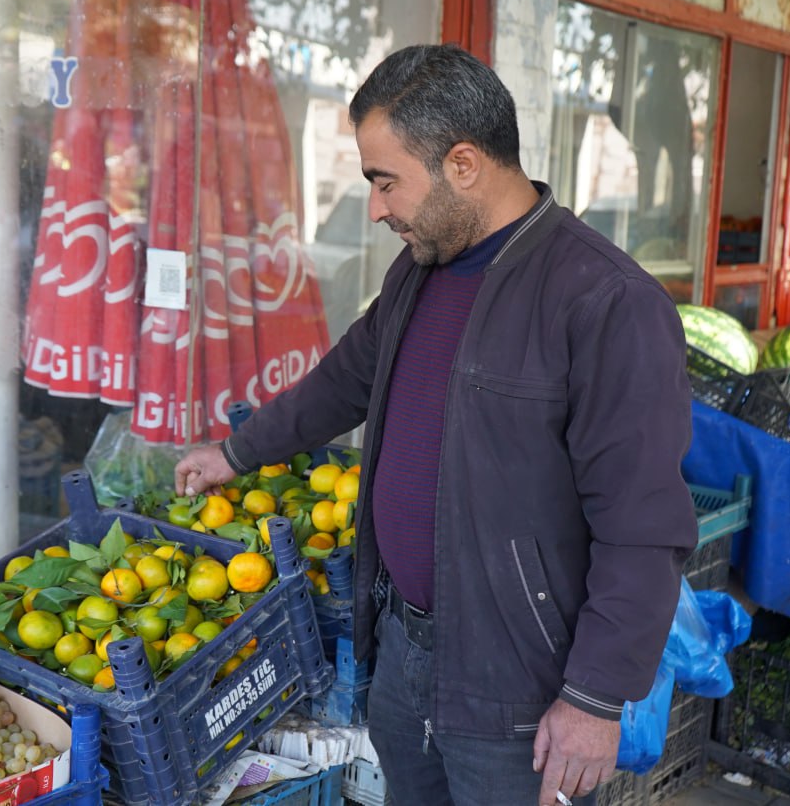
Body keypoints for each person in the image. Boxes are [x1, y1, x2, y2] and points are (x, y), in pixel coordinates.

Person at [175, 43, 698, 806]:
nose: (377, 208)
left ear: (462, 164)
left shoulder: (606, 302)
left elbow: (643, 527)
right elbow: (346, 379)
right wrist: (237, 451)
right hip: (406, 655)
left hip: (519, 687)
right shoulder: (418, 271)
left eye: (386, 182)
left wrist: (594, 698)